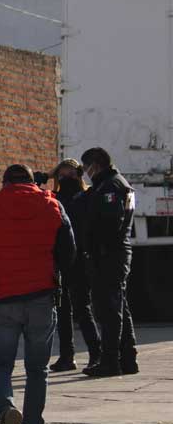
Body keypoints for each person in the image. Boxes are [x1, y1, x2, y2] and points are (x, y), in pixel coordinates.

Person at [0, 164, 76, 424]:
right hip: (41, 296)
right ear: (32, 182)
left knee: (1, 364)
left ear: (5, 183)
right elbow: (69, 253)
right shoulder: (53, 205)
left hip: (5, 298)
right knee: (37, 369)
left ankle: (6, 409)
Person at [80, 148, 139, 378]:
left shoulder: (111, 186)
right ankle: (127, 358)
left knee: (109, 309)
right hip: (113, 253)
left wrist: (96, 250)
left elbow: (110, 224)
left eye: (87, 167)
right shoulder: (115, 184)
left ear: (96, 164)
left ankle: (111, 360)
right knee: (119, 306)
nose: (86, 172)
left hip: (109, 255)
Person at [50, 159, 102, 372]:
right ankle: (66, 356)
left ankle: (96, 354)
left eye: (71, 174)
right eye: (62, 175)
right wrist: (49, 175)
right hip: (61, 259)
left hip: (80, 259)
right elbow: (35, 183)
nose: (66, 178)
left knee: (82, 308)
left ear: (79, 175)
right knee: (62, 310)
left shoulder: (87, 196)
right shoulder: (55, 198)